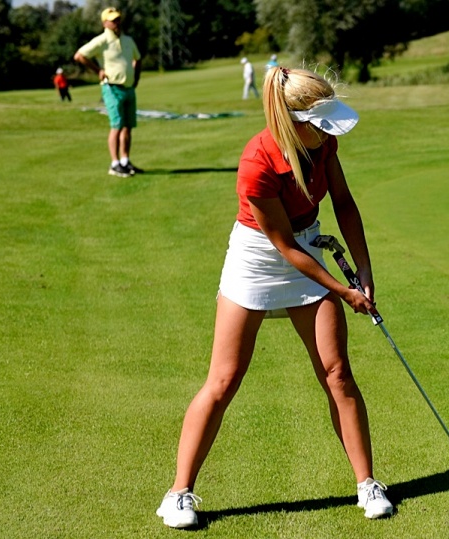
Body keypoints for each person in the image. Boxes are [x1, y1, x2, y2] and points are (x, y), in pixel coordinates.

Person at [155, 66, 394, 529]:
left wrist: (364, 270)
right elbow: (283, 245)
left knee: (337, 372)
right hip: (257, 258)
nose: (327, 136)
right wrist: (343, 290)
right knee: (224, 380)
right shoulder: (257, 164)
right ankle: (178, 493)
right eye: (319, 127)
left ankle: (367, 483)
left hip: (309, 244)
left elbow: (343, 203)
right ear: (292, 122)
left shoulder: (324, 145)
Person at [74, 7, 143, 178]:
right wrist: (98, 70)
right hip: (112, 87)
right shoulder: (102, 40)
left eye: (118, 19)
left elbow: (138, 59)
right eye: (113, 20)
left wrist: (136, 78)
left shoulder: (127, 40)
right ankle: (115, 164)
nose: (116, 23)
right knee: (117, 126)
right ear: (105, 23)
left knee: (128, 127)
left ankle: (125, 161)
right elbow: (80, 56)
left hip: (128, 88)